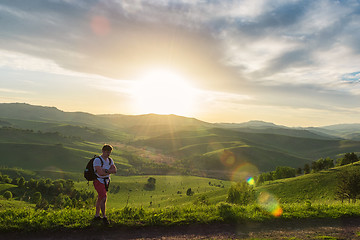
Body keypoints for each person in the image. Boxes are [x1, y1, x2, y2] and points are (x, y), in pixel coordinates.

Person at [93, 144, 117, 224]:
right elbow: (100, 173)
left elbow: (115, 170)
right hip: (98, 181)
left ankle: (97, 216)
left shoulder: (110, 160)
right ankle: (104, 217)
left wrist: (106, 171)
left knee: (100, 198)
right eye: (107, 152)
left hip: (106, 181)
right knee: (104, 198)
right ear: (103, 151)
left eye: (109, 152)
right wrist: (109, 171)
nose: (108, 154)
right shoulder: (97, 160)